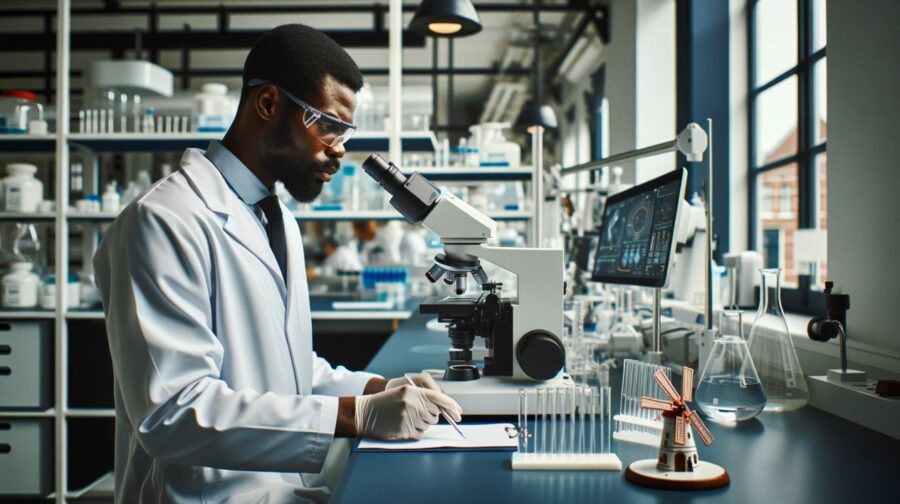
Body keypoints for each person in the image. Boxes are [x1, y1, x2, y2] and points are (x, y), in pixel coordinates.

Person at [93, 24, 462, 503]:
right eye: (327, 124)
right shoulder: (163, 220)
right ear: (268, 103)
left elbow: (285, 366)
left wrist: (380, 386)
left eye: (345, 132)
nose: (340, 149)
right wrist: (356, 415)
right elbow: (172, 412)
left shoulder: (276, 218)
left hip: (278, 491)